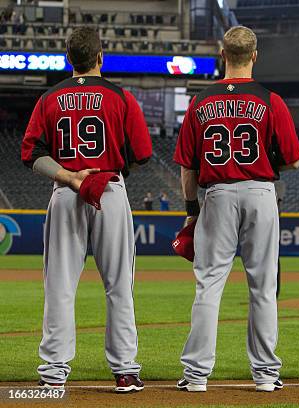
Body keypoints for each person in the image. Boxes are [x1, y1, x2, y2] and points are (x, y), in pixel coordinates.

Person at [21, 27, 151, 393]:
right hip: (108, 187)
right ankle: (125, 369)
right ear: (100, 57)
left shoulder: (50, 97)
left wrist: (69, 176)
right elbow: (142, 154)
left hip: (65, 190)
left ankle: (53, 370)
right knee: (119, 285)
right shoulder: (121, 97)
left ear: (68, 59)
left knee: (59, 286)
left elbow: (31, 154)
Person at [173, 25, 299, 393]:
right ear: (255, 56)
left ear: (222, 55)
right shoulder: (269, 100)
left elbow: (188, 166)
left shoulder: (200, 102)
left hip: (217, 195)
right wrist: (267, 159)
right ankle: (264, 375)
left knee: (209, 285)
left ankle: (196, 375)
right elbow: (292, 160)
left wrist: (190, 210)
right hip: (260, 192)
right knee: (263, 286)